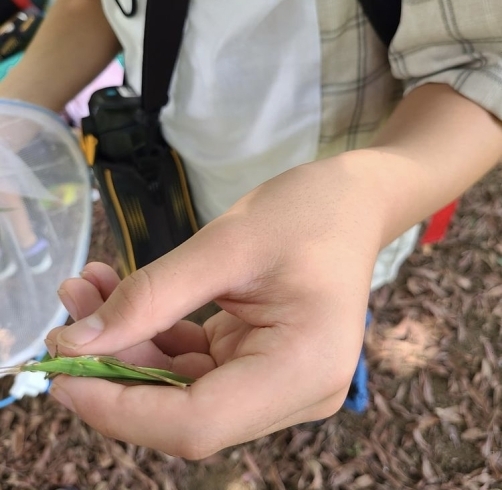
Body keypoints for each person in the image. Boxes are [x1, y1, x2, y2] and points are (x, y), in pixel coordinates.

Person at [1, 0, 501, 460]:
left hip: (338, 212)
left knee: (334, 308)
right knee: (211, 325)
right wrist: (10, 120)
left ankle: (345, 355)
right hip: (178, 177)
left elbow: (484, 64)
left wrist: (364, 203)